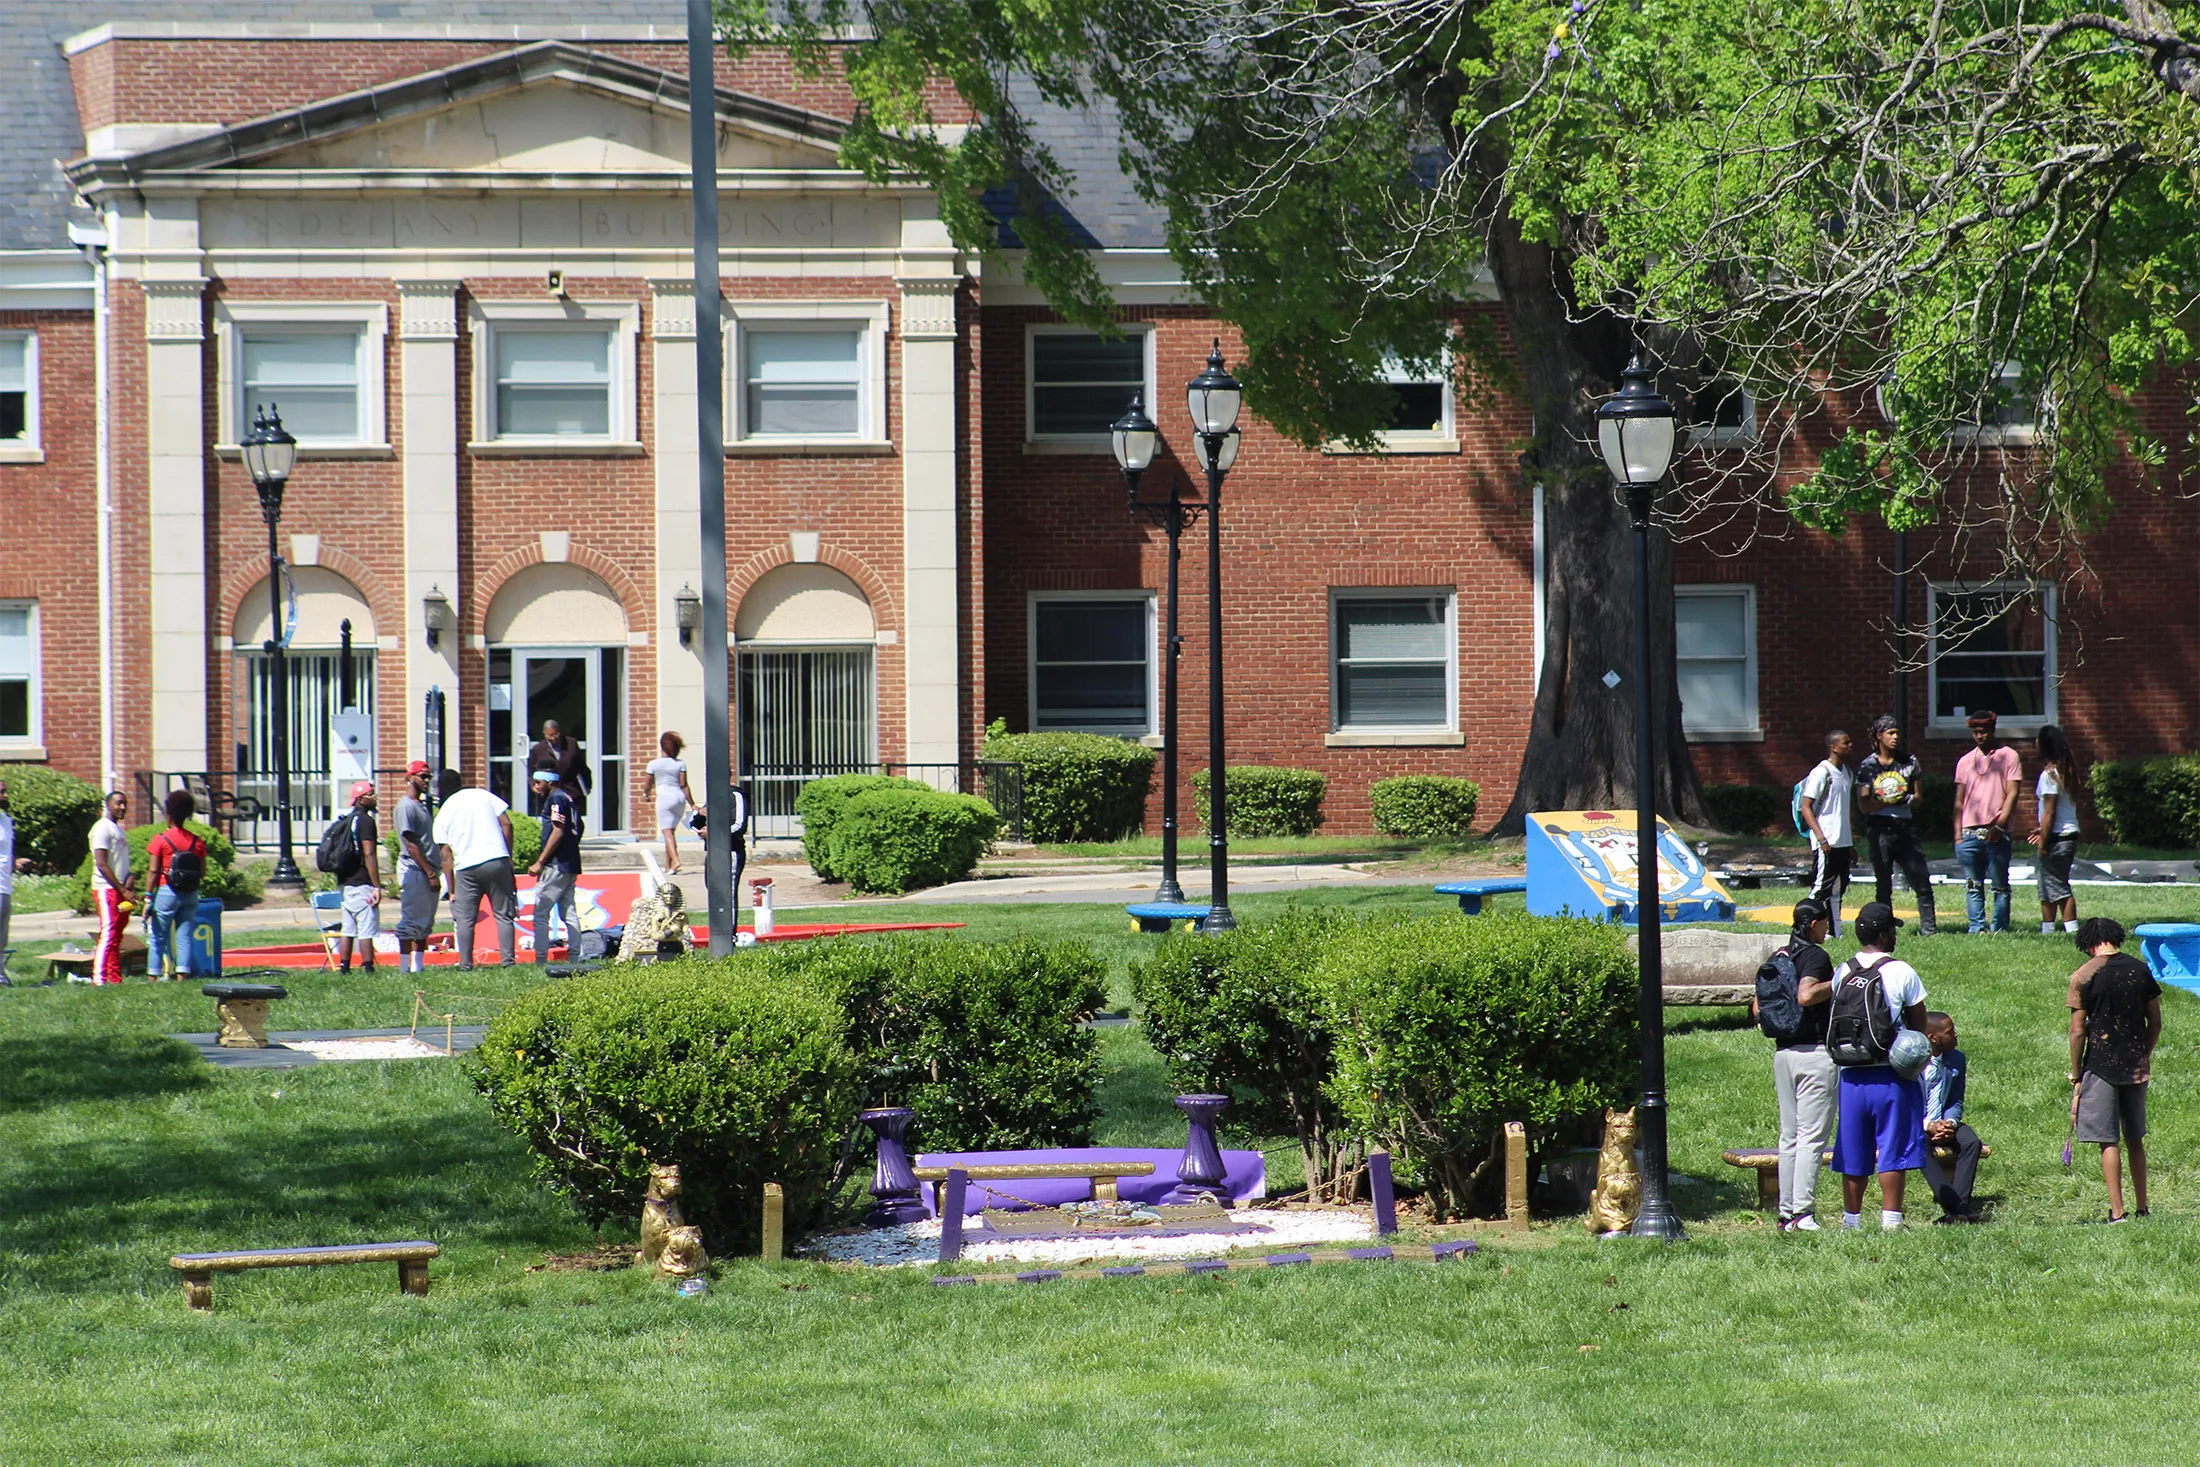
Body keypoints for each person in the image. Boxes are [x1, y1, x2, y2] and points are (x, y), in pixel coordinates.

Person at [1828, 901, 1930, 1230]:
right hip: (1891, 1075)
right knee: (1893, 1148)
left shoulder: (1842, 971)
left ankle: (1851, 1220)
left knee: (1853, 1149)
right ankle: (1891, 1219)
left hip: (1851, 1076)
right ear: (1885, 934)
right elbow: (1918, 1026)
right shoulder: (1901, 971)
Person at [2067, 917, 2162, 1223]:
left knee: (2109, 1141)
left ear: (2088, 942)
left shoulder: (2084, 975)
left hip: (2100, 1066)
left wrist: (2076, 1071)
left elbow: (2078, 1031)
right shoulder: (2139, 969)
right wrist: (2144, 1054)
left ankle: (2117, 1212)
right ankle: (2143, 1207)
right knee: (2135, 1137)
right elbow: (2155, 1023)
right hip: (2136, 1066)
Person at [1756, 897, 1838, 1231]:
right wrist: (1839, 982)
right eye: (1825, 921)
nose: (1828, 927)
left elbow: (1757, 1008)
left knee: (1788, 1137)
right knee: (1811, 1137)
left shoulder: (1779, 955)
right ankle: (1803, 1213)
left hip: (1783, 1055)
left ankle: (1786, 1213)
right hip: (1814, 1055)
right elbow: (1806, 995)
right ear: (1814, 924)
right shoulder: (1815, 956)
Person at [1855, 714, 1938, 935]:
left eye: (1897, 733)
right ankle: (1885, 928)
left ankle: (1929, 929)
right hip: (1879, 829)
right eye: (1890, 733)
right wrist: (1886, 800)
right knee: (1883, 883)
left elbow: (1919, 796)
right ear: (1879, 735)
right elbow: (1863, 804)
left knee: (1921, 878)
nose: (1895, 737)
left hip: (1905, 827)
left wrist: (1906, 799)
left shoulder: (1909, 761)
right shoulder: (1868, 766)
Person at [433, 768, 517, 971]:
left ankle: (465, 964)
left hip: (466, 868)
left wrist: (451, 889)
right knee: (503, 915)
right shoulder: (483, 795)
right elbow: (507, 824)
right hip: (496, 859)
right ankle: (508, 962)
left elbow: (445, 854)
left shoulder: (444, 811)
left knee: (465, 919)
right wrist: (507, 855)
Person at [1953, 709, 2021, 933]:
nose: (1980, 736)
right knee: (1973, 885)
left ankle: (1999, 927)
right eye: (1975, 732)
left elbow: (2012, 793)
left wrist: (2000, 825)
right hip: (1969, 832)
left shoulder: (2008, 756)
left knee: (1999, 884)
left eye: (1983, 731)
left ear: (1992, 729)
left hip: (1996, 831)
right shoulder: (1964, 761)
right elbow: (1960, 800)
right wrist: (1957, 835)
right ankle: (1976, 926)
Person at [1918, 1012, 1983, 1224]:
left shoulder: (1956, 1059)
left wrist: (1950, 1124)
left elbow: (1955, 1100)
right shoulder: (1911, 1061)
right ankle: (1956, 1208)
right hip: (1915, 1123)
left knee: (1971, 1142)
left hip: (1944, 1122)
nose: (1956, 1035)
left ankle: (1958, 1211)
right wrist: (1929, 1125)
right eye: (1949, 1032)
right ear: (1932, 1038)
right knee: (1917, 1146)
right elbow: (1903, 1105)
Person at [144, 789, 208, 980]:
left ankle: (153, 976)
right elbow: (202, 872)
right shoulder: (197, 842)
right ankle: (182, 975)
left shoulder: (160, 840)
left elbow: (153, 871)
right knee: (184, 936)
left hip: (167, 891)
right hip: (190, 893)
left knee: (158, 937)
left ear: (168, 815)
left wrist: (148, 896)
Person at [1799, 729, 1856, 938]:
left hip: (1843, 841)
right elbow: (1806, 807)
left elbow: (1844, 810)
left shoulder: (1847, 773)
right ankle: (1804, 926)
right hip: (1827, 841)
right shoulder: (1821, 772)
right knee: (1820, 888)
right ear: (1834, 747)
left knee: (1837, 890)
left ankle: (1835, 932)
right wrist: (1821, 838)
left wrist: (1851, 844)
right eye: (1845, 743)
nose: (1850, 746)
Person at [527, 766, 583, 964]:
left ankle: (540, 958)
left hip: (557, 864)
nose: (535, 787)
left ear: (550, 782)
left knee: (541, 911)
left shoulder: (556, 799)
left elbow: (557, 831)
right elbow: (579, 827)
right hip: (570, 862)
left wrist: (540, 861)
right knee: (569, 911)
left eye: (539, 782)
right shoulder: (568, 798)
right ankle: (575, 956)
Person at [2031, 724, 2082, 936]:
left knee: (2058, 887)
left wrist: (2043, 841)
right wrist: (2041, 829)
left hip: (2057, 838)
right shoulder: (2065, 771)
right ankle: (2048, 929)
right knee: (2048, 884)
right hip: (2067, 834)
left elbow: (2050, 812)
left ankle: (2072, 930)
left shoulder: (2049, 776)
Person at [329, 780, 382, 974]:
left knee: (348, 928)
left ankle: (344, 967)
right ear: (361, 799)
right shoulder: (367, 821)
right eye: (371, 794)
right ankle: (368, 967)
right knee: (366, 928)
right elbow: (369, 853)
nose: (375, 798)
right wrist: (376, 885)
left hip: (346, 882)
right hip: (362, 882)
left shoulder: (347, 820)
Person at [393, 760, 439, 975]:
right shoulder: (406, 806)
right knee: (410, 920)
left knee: (426, 921)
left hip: (427, 868)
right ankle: (404, 969)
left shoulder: (421, 804)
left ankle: (417, 967)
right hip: (414, 869)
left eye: (429, 777)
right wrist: (429, 873)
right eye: (423, 776)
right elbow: (411, 844)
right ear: (410, 777)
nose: (427, 781)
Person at [88, 790, 133, 986]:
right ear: (108, 805)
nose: (122, 807)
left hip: (121, 890)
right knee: (108, 932)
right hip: (106, 889)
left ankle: (115, 978)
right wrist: (122, 889)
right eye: (118, 804)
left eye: (124, 804)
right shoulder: (102, 829)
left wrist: (129, 883)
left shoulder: (118, 830)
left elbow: (121, 863)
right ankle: (98, 978)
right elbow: (102, 863)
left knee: (117, 934)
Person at [648, 732, 695, 875]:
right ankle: (667, 867)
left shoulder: (654, 764)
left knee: (667, 833)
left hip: (664, 799)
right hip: (679, 799)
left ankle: (676, 861)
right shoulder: (680, 764)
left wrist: (646, 793)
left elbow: (647, 784)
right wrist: (692, 804)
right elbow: (683, 784)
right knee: (671, 833)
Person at [0, 778, 33, 977]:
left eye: (5, 791)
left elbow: (6, 853)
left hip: (5, 885)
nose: (5, 795)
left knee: (2, 936)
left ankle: (1, 976)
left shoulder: (6, 821)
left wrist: (16, 862)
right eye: (2, 791)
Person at [616, 879, 692, 963]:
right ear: (662, 896)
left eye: (672, 894)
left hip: (678, 946)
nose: (669, 897)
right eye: (666, 894)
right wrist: (671, 931)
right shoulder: (657, 918)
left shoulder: (681, 916)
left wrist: (682, 935)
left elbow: (686, 935)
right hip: (663, 948)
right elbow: (655, 936)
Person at [525, 719, 589, 814]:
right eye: (550, 736)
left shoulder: (571, 744)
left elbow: (582, 766)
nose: (554, 738)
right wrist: (533, 784)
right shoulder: (539, 749)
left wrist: (588, 785)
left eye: (556, 734)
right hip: (548, 792)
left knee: (574, 821)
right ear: (544, 733)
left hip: (570, 789)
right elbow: (531, 770)